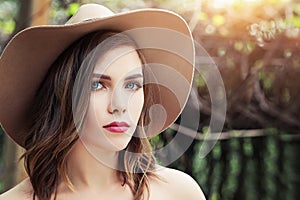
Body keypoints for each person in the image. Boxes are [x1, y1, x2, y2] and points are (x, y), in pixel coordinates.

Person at [0, 3, 206, 200]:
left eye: (132, 85)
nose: (119, 105)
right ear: (63, 96)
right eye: (98, 85)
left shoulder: (179, 193)